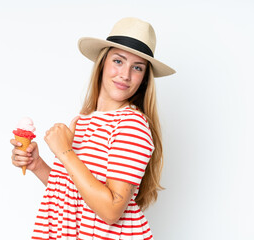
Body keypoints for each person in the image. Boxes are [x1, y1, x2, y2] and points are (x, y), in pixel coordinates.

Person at [11, 17, 175, 239]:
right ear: (103, 62)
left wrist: (65, 152)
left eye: (137, 67)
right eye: (119, 61)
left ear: (144, 79)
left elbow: (110, 210)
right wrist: (37, 164)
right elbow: (75, 194)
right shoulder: (85, 120)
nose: (125, 75)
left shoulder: (131, 125)